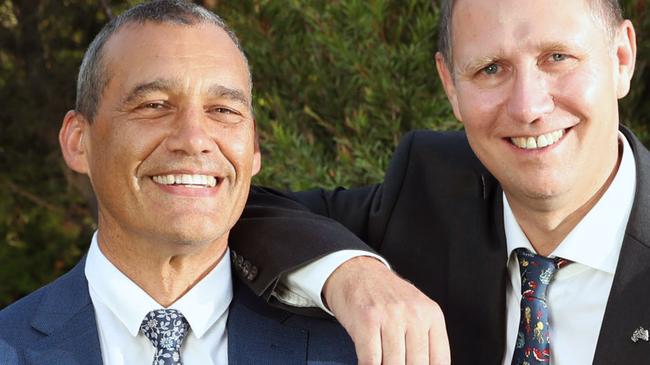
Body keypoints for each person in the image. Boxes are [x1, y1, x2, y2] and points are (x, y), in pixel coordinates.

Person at [231, 0, 648, 363]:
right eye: (490, 69)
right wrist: (354, 276)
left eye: (557, 57)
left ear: (621, 57)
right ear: (451, 86)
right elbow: (237, 208)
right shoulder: (432, 186)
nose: (528, 107)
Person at [0, 1, 358, 364]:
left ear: (254, 150)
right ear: (79, 141)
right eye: (154, 105)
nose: (193, 139)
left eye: (223, 110)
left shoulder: (353, 349)